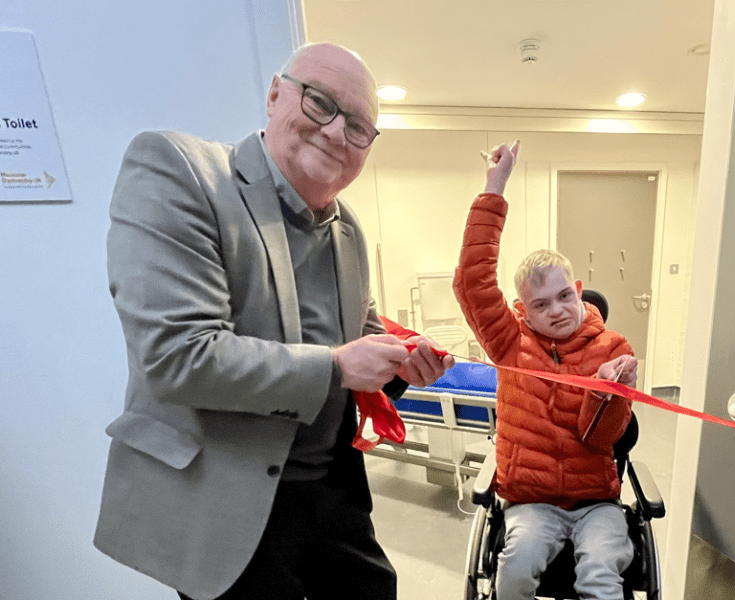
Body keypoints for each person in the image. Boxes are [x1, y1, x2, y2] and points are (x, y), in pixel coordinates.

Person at [95, 43, 454, 600]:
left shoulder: (348, 228)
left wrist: (403, 359)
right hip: (226, 500)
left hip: (333, 495)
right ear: (274, 94)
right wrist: (337, 367)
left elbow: (362, 333)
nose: (337, 132)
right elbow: (177, 356)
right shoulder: (179, 171)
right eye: (320, 103)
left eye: (359, 126)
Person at [452, 141, 639, 600]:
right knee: (513, 571)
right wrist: (494, 187)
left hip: (597, 503)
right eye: (540, 304)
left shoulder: (613, 348)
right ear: (524, 310)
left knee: (600, 577)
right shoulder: (510, 343)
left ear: (578, 291)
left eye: (564, 297)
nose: (556, 311)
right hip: (531, 504)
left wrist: (611, 391)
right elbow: (472, 284)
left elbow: (600, 438)